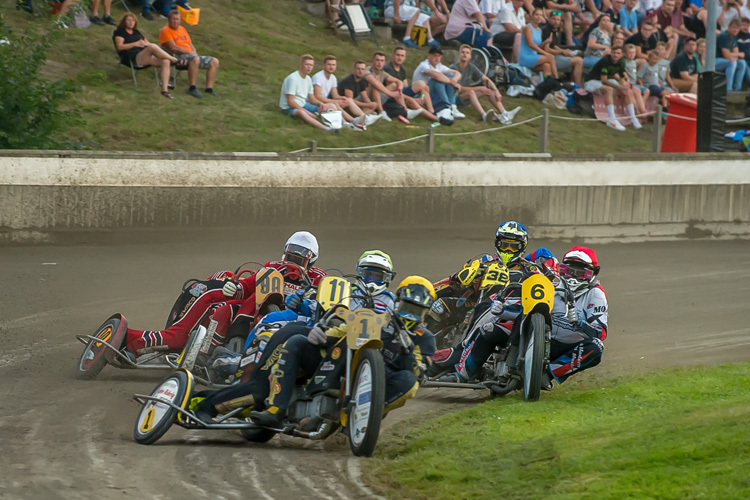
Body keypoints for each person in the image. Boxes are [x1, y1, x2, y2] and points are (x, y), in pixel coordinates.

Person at [249, 275, 437, 426]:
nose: (409, 314)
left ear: (425, 311)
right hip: (341, 365)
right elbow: (346, 329)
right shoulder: (378, 318)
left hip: (381, 382)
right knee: (297, 341)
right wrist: (322, 334)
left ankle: (366, 414)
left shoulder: (425, 338)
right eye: (407, 307)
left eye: (416, 310)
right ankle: (276, 408)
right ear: (397, 302)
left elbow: (418, 375)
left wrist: (408, 350)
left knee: (410, 382)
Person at [123, 231, 325, 357]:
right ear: (284, 253)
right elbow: (247, 285)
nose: (292, 263)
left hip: (296, 319)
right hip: (254, 312)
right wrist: (235, 289)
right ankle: (206, 354)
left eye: (298, 260)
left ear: (311, 261)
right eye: (290, 257)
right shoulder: (272, 268)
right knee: (223, 311)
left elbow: (331, 300)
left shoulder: (319, 278)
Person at [545, 246, 608, 388]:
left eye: (580, 273)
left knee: (596, 347)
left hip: (566, 348)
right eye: (568, 271)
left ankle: (547, 375)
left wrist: (580, 324)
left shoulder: (596, 294)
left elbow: (601, 333)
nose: (573, 278)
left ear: (594, 273)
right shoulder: (550, 284)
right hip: (541, 338)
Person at [113, 13, 179, 100]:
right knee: (153, 47)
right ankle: (174, 60)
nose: (131, 22)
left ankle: (164, 90)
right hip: (132, 57)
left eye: (133, 21)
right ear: (124, 22)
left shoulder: (136, 32)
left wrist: (145, 44)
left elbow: (147, 43)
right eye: (128, 20)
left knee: (165, 61)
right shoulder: (120, 31)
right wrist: (135, 44)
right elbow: (120, 46)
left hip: (144, 56)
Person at [450, 44, 522, 123]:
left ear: (470, 56)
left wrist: (496, 91)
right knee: (471, 92)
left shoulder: (471, 66)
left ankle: (505, 113)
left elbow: (486, 79)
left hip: (467, 96)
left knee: (488, 90)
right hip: (455, 98)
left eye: (467, 53)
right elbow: (459, 89)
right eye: (462, 52)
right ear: (459, 54)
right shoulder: (453, 68)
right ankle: (484, 116)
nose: (464, 54)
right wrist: (479, 88)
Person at [159, 10, 220, 99]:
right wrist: (190, 53)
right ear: (168, 20)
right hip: (177, 57)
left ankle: (209, 88)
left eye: (177, 19)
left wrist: (194, 52)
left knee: (214, 61)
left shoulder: (182, 29)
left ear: (180, 20)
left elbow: (190, 44)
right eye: (173, 19)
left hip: (191, 56)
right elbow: (173, 47)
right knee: (195, 60)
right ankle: (192, 88)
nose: (175, 21)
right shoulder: (166, 30)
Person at [584, 45, 643, 130]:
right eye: (614, 53)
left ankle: (633, 117)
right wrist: (619, 87)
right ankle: (612, 119)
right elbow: (604, 80)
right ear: (611, 53)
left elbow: (621, 76)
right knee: (609, 89)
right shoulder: (605, 61)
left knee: (627, 90)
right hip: (591, 81)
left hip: (602, 80)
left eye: (618, 53)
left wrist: (624, 86)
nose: (615, 55)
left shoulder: (622, 61)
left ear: (622, 54)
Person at [310, 55, 370, 131]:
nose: (331, 67)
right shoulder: (318, 77)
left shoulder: (333, 78)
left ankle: (364, 117)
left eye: (333, 65)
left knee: (348, 100)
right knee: (335, 104)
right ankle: (349, 122)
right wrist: (335, 101)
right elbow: (317, 96)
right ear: (324, 65)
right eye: (329, 64)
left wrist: (342, 98)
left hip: (325, 101)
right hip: (317, 103)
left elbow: (335, 95)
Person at [280, 55, 339, 131]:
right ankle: (326, 129)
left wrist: (321, 104)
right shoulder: (293, 79)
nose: (309, 67)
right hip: (289, 108)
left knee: (331, 106)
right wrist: (308, 113)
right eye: (307, 64)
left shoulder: (308, 79)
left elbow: (312, 99)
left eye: (311, 65)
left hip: (303, 104)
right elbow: (290, 102)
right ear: (301, 65)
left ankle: (336, 125)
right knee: (301, 112)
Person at [383, 46, 440, 123]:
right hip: (392, 97)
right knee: (418, 87)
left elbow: (406, 86)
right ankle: (435, 118)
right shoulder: (388, 69)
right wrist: (413, 99)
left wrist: (419, 94)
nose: (399, 58)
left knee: (424, 87)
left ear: (405, 58)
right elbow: (394, 91)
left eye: (402, 56)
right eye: (398, 55)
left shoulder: (402, 69)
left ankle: (431, 112)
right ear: (393, 55)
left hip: (402, 94)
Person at [413, 46, 464, 124]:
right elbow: (435, 75)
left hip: (432, 94)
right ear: (429, 56)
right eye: (434, 55)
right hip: (421, 95)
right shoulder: (424, 65)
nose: (437, 58)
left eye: (439, 56)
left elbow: (457, 73)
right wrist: (452, 82)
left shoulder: (439, 66)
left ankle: (452, 106)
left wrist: (454, 80)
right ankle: (446, 105)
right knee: (436, 80)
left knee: (450, 76)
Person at [542, 10, 585, 85]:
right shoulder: (546, 30)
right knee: (579, 61)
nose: (556, 21)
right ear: (549, 19)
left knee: (577, 56)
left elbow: (554, 45)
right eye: (554, 19)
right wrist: (561, 52)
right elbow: (547, 49)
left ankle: (571, 85)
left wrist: (564, 51)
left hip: (555, 56)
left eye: (558, 19)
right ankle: (577, 86)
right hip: (549, 59)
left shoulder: (556, 29)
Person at [520, 9, 560, 78]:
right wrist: (545, 53)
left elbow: (538, 46)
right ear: (532, 16)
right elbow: (531, 44)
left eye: (541, 15)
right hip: (526, 56)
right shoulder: (528, 28)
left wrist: (545, 42)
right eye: (536, 15)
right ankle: (557, 80)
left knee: (546, 65)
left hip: (534, 56)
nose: (539, 17)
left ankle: (547, 86)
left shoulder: (539, 30)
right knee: (551, 57)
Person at [716, 19, 749, 91]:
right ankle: (729, 90)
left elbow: (736, 53)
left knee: (742, 63)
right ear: (729, 27)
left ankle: (737, 89)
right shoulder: (724, 36)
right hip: (715, 60)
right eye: (734, 27)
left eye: (737, 28)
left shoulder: (734, 36)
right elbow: (726, 55)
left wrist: (735, 55)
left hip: (726, 60)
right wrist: (736, 55)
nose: (735, 30)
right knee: (732, 63)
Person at [623, 43, 651, 116]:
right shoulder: (624, 62)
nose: (632, 54)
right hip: (629, 84)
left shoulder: (634, 62)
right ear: (625, 54)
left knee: (647, 91)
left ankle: (641, 105)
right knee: (636, 92)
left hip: (634, 83)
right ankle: (640, 110)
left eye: (634, 52)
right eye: (630, 53)